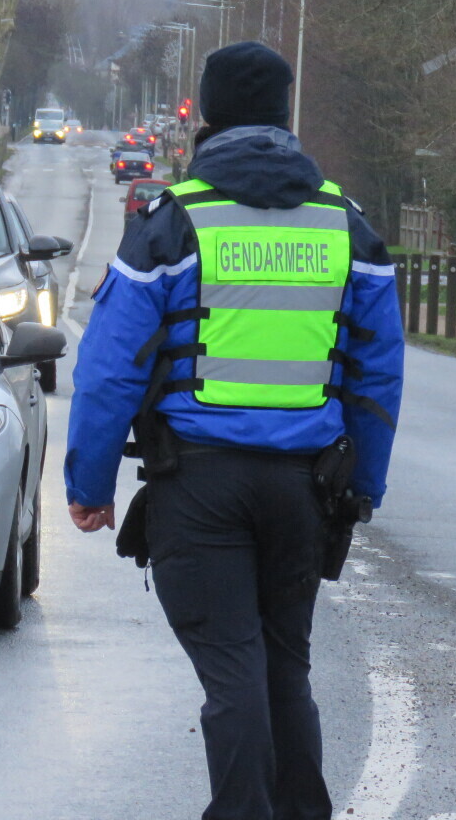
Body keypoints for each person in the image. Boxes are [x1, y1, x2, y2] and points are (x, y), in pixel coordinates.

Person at [65, 41, 405, 820]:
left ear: (205, 120)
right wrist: (366, 483)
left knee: (232, 674)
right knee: (286, 669)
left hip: (200, 485)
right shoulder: (345, 226)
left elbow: (110, 368)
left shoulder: (174, 222)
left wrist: (90, 484)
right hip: (306, 490)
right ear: (286, 117)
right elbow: (377, 374)